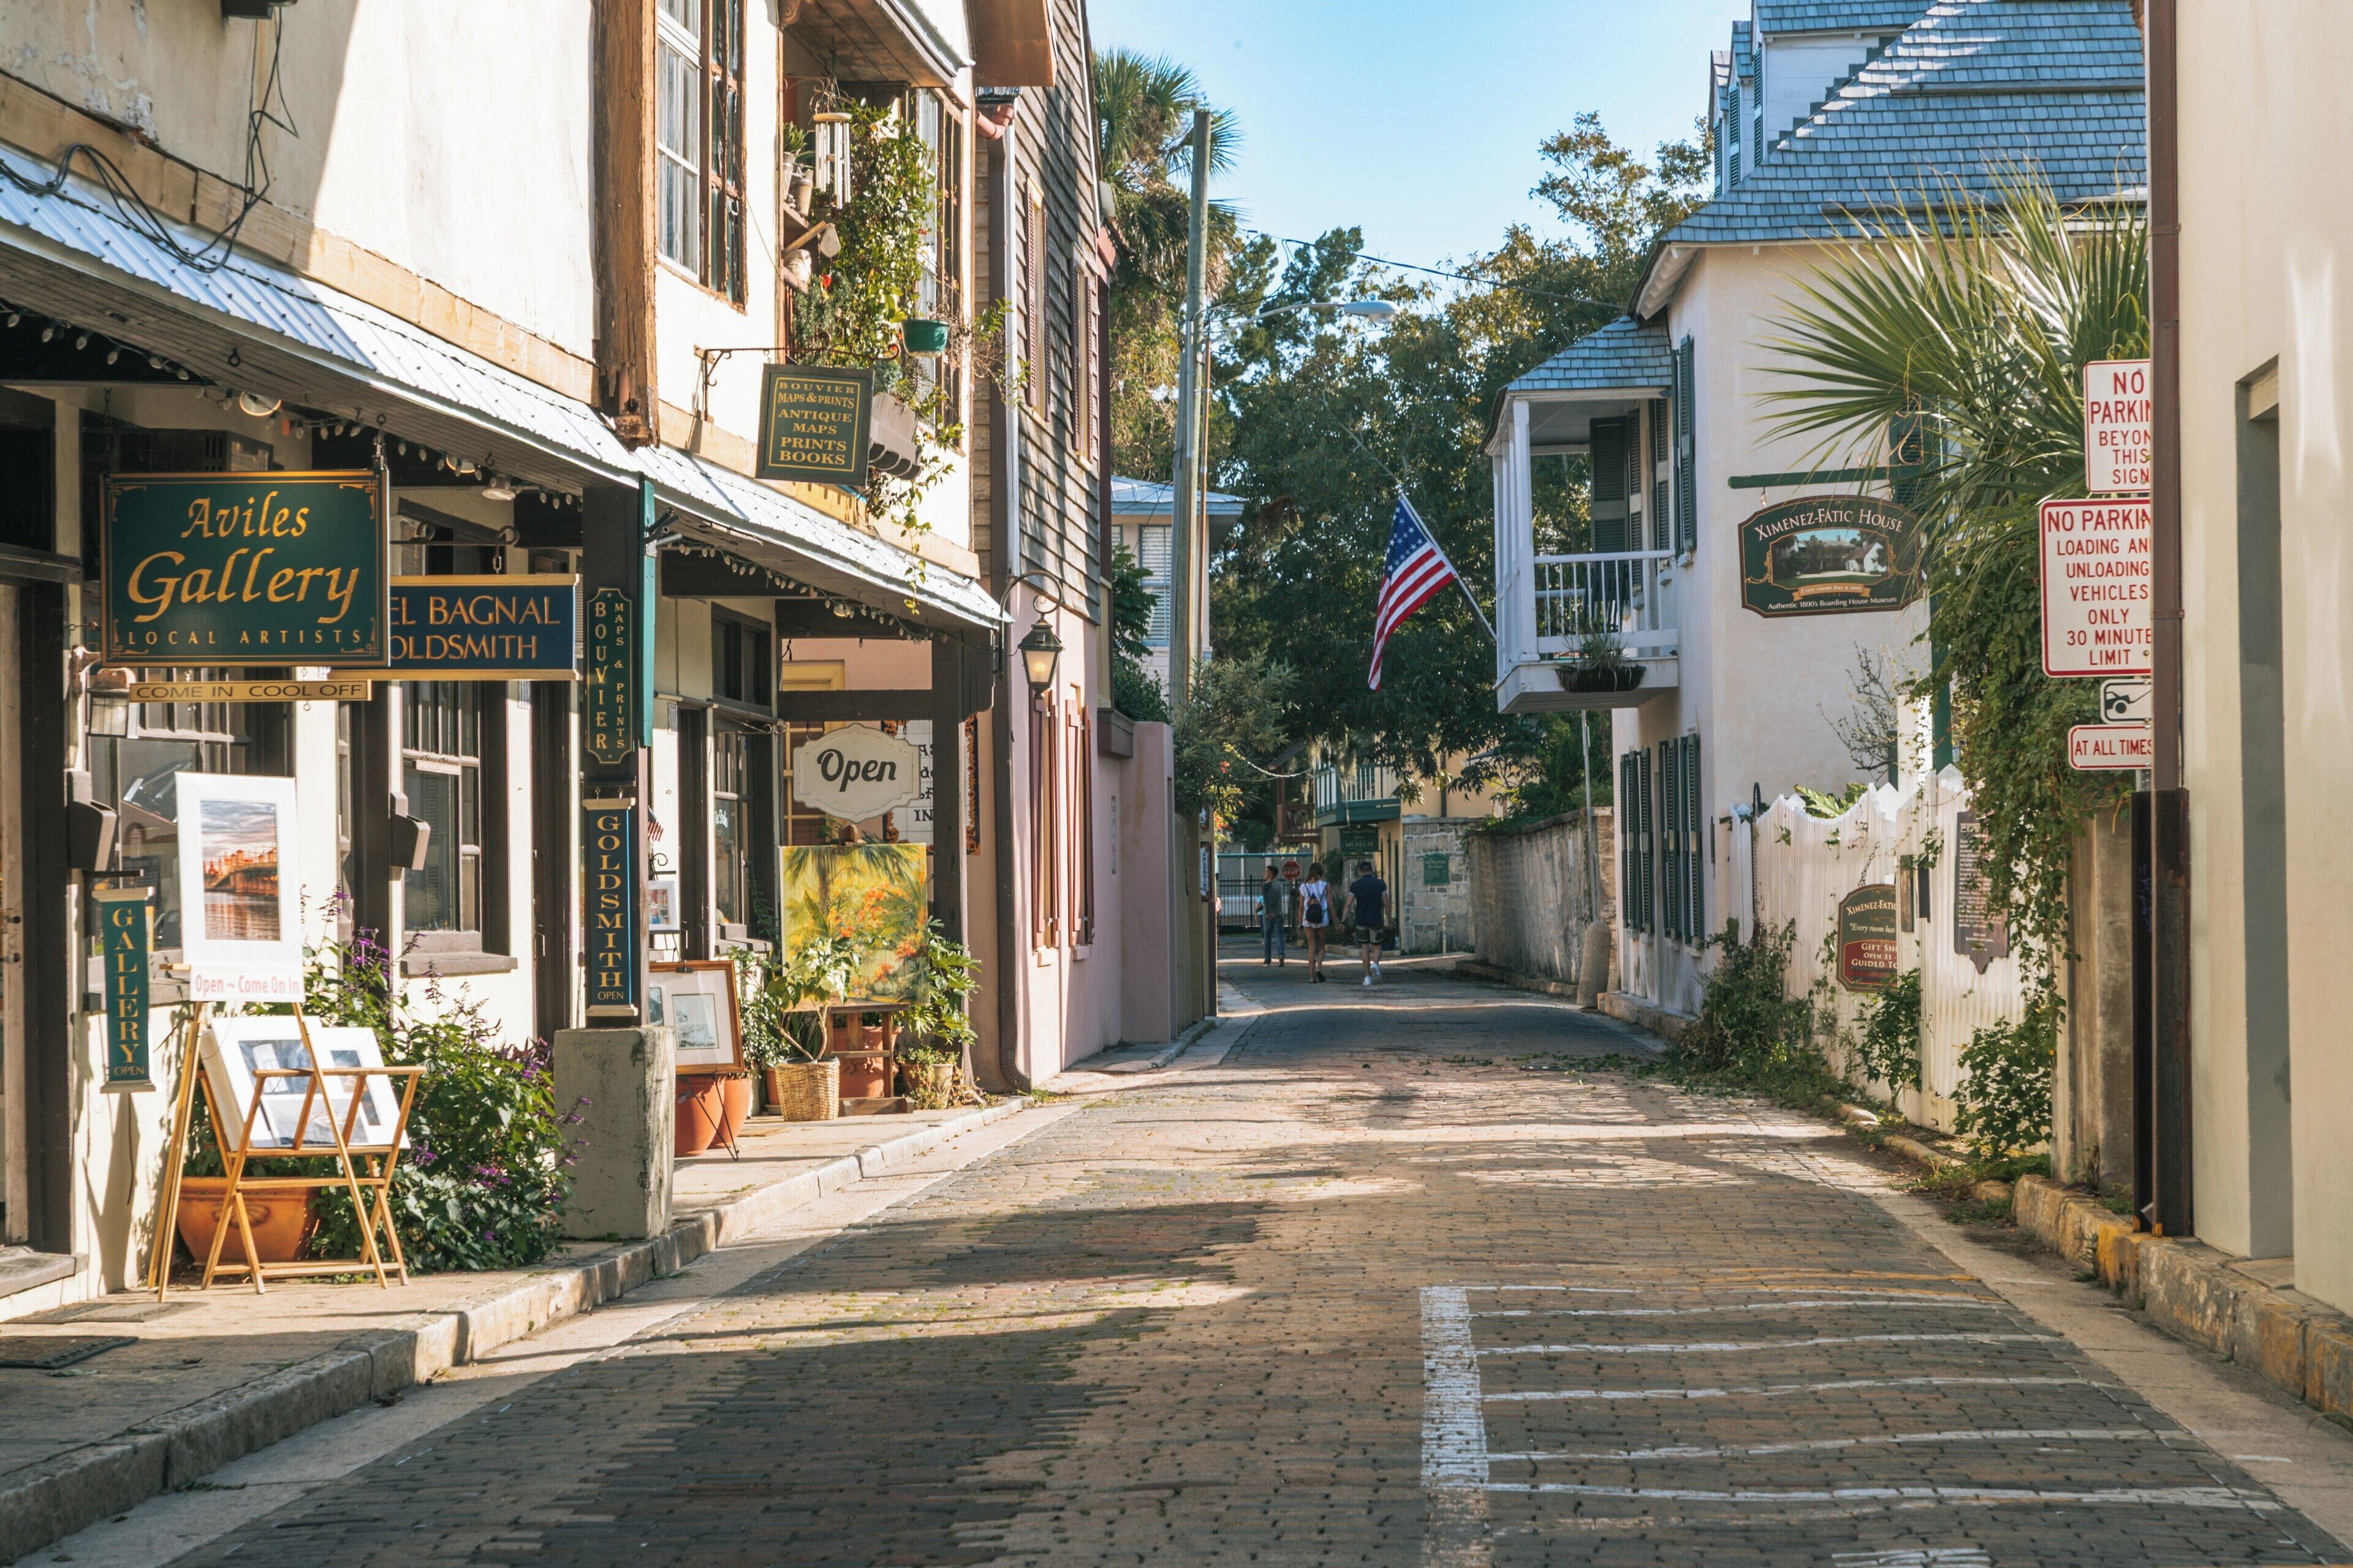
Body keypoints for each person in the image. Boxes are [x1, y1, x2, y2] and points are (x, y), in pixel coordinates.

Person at [1347, 859, 1389, 986]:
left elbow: (1348, 904)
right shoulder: (1380, 884)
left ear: (1361, 872)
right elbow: (1386, 903)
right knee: (1377, 948)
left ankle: (1367, 978)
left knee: (1365, 948)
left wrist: (1342, 921)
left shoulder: (1355, 885)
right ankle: (1375, 964)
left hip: (1361, 920)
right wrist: (1390, 919)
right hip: (1376, 919)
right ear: (1372, 871)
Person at [1297, 861, 1333, 982]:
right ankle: (1319, 968)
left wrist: (1300, 924)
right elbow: (1330, 905)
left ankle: (1311, 977)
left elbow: (1301, 907)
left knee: (1311, 947)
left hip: (1308, 920)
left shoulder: (1303, 887)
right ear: (1321, 873)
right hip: (1322, 918)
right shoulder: (1327, 886)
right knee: (1321, 945)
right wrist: (1336, 921)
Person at [1255, 865, 1290, 966]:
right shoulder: (1280, 885)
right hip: (1279, 914)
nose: (1264, 874)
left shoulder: (1266, 886)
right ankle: (1281, 956)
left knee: (1267, 938)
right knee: (1280, 937)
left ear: (1271, 874)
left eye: (1266, 872)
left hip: (1268, 916)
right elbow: (1277, 900)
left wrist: (1267, 911)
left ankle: (1267, 959)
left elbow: (1267, 900)